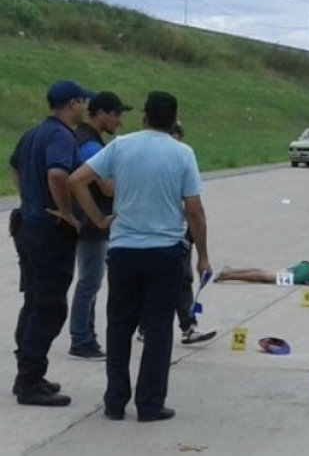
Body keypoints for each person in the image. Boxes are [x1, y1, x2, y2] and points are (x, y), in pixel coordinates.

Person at [69, 91, 211, 422]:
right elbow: (195, 210)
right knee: (159, 329)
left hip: (124, 251)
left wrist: (99, 219)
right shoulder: (182, 153)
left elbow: (77, 181)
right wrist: (202, 254)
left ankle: (115, 401)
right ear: (173, 120)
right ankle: (149, 403)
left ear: (144, 116)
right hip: (164, 252)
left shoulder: (121, 146)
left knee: (119, 326)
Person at [9, 79, 94, 406]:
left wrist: (28, 196)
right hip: (49, 230)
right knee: (50, 306)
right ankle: (29, 382)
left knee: (34, 301)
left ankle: (29, 373)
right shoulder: (60, 135)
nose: (85, 106)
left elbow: (14, 165)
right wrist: (65, 211)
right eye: (83, 101)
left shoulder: (34, 132)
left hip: (27, 225)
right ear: (73, 103)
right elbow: (58, 174)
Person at [136, 121, 216, 345]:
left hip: (179, 232)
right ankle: (146, 326)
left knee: (183, 280)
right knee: (156, 282)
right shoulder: (153, 164)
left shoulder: (181, 160)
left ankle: (188, 325)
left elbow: (193, 206)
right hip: (158, 233)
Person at [68, 91, 132, 360]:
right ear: (102, 113)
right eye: (116, 115)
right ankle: (81, 339)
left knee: (90, 281)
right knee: (90, 282)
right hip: (92, 223)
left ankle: (86, 335)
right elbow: (105, 187)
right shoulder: (90, 144)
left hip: (89, 221)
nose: (119, 122)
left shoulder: (87, 139)